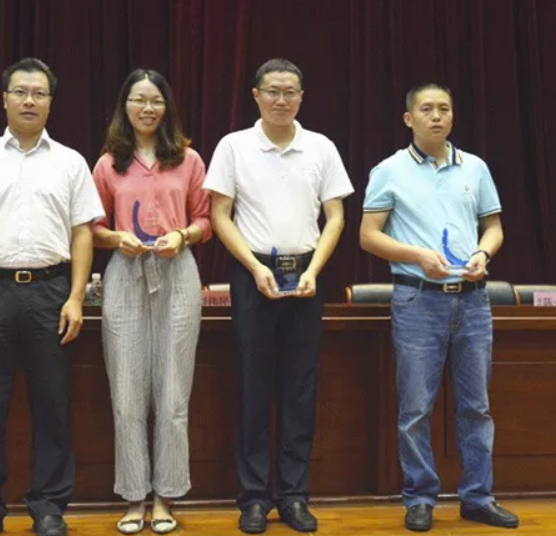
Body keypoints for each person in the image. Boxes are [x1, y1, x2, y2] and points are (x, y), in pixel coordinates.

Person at [0, 57, 104, 536]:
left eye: (39, 93)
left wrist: (76, 298)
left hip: (51, 291)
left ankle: (49, 506)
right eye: (20, 92)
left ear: (51, 102)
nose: (29, 101)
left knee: (53, 402)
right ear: (5, 100)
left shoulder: (70, 162)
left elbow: (82, 235)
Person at [359, 83, 519, 532]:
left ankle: (478, 497)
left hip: (472, 300)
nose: (436, 116)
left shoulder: (475, 167)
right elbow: (368, 235)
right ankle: (420, 498)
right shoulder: (388, 170)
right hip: (417, 299)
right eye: (426, 109)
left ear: (452, 116)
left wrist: (483, 253)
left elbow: (493, 227)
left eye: (444, 108)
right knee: (415, 409)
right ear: (408, 118)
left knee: (476, 406)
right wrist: (416, 256)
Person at [204, 58, 354, 534]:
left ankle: (293, 495)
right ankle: (253, 498)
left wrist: (314, 269)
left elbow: (335, 217)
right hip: (254, 275)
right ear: (256, 95)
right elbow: (220, 214)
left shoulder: (321, 147)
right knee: (253, 388)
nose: (281, 100)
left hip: (305, 274)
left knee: (299, 389)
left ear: (301, 97)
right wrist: (253, 267)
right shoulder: (234, 146)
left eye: (290, 92)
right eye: (272, 91)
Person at [91, 69, 211, 535]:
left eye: (155, 100)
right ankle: (133, 496)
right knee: (126, 394)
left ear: (167, 107)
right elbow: (91, 228)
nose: (147, 108)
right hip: (125, 275)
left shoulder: (188, 159)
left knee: (173, 392)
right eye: (138, 100)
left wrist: (183, 235)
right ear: (124, 107)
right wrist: (115, 238)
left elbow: (206, 220)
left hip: (177, 273)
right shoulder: (108, 164)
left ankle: (166, 495)